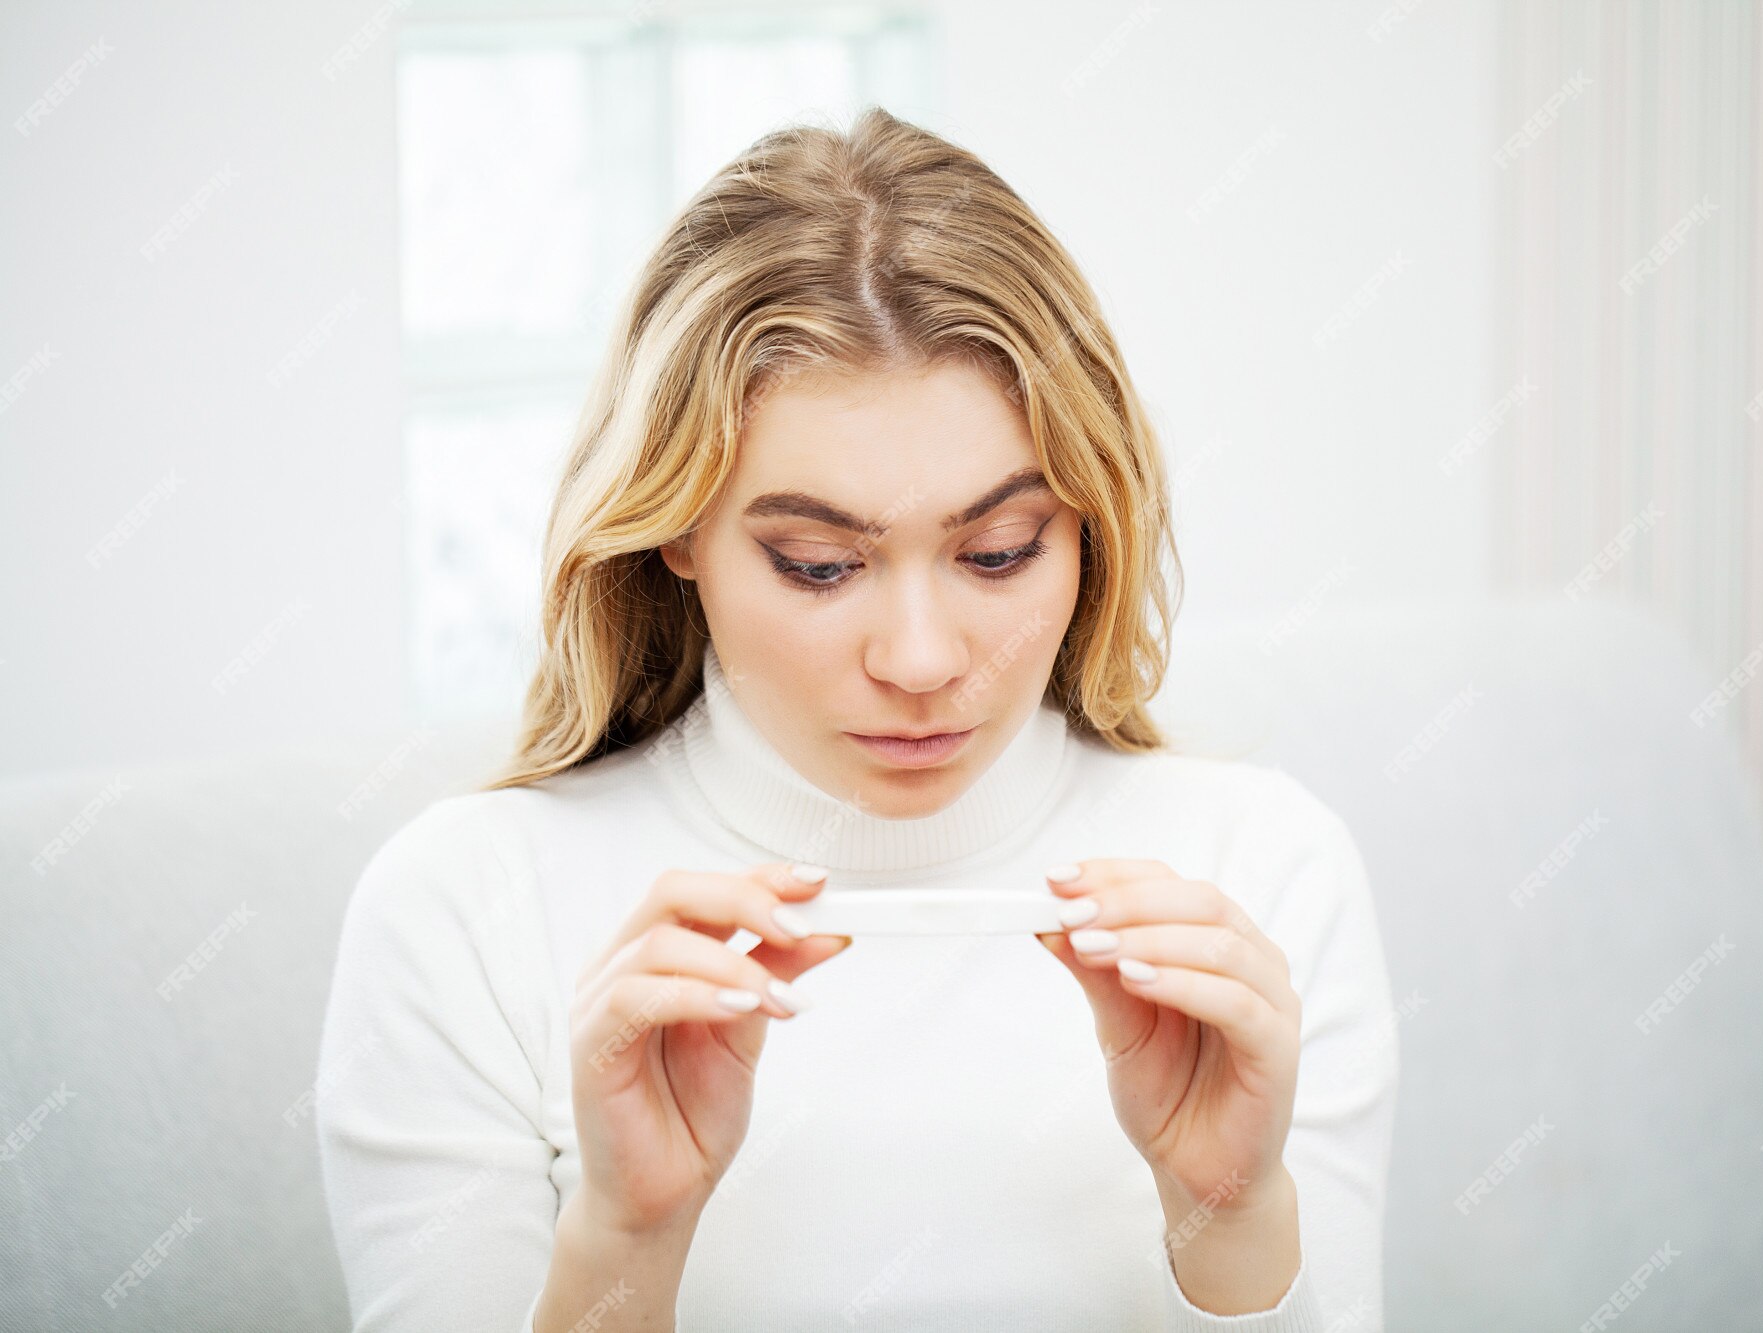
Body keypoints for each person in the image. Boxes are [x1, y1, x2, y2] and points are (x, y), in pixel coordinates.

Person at [314, 105, 1396, 1332]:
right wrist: (627, 1242)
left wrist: (1234, 1225)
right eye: (820, 565)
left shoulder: (1257, 875)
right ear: (674, 525)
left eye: (997, 551)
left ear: (1088, 520)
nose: (924, 660)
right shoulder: (462, 912)